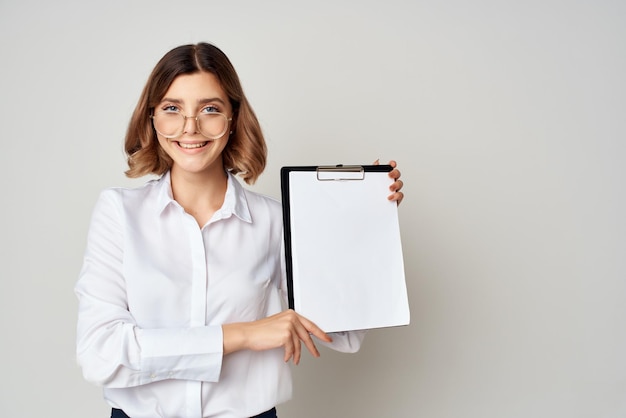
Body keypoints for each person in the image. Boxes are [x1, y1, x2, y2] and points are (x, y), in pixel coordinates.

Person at [75, 42, 405, 418]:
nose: (190, 128)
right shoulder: (119, 213)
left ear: (233, 117)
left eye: (210, 109)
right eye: (172, 109)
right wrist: (245, 334)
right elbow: (99, 352)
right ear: (151, 118)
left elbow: (345, 335)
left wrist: (362, 222)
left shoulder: (274, 222)